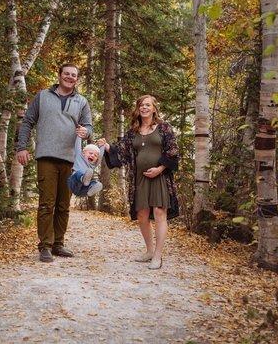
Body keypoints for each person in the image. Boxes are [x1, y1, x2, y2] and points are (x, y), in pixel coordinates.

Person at [16, 63, 92, 263]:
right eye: (66, 73)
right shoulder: (43, 96)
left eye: (73, 75)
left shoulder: (82, 101)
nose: (70, 77)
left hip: (70, 159)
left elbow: (89, 127)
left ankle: (58, 243)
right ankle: (45, 246)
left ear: (77, 79)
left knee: (63, 205)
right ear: (59, 75)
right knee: (47, 203)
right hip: (46, 157)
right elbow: (27, 122)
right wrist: (21, 147)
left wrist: (86, 132)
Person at [97, 95, 179, 270]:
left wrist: (160, 168)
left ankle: (158, 255)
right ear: (138, 109)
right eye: (141, 105)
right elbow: (122, 151)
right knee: (142, 216)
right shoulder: (133, 131)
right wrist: (106, 147)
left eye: (148, 105)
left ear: (154, 108)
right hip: (139, 178)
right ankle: (149, 251)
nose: (144, 108)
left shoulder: (164, 128)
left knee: (159, 213)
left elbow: (173, 150)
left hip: (160, 177)